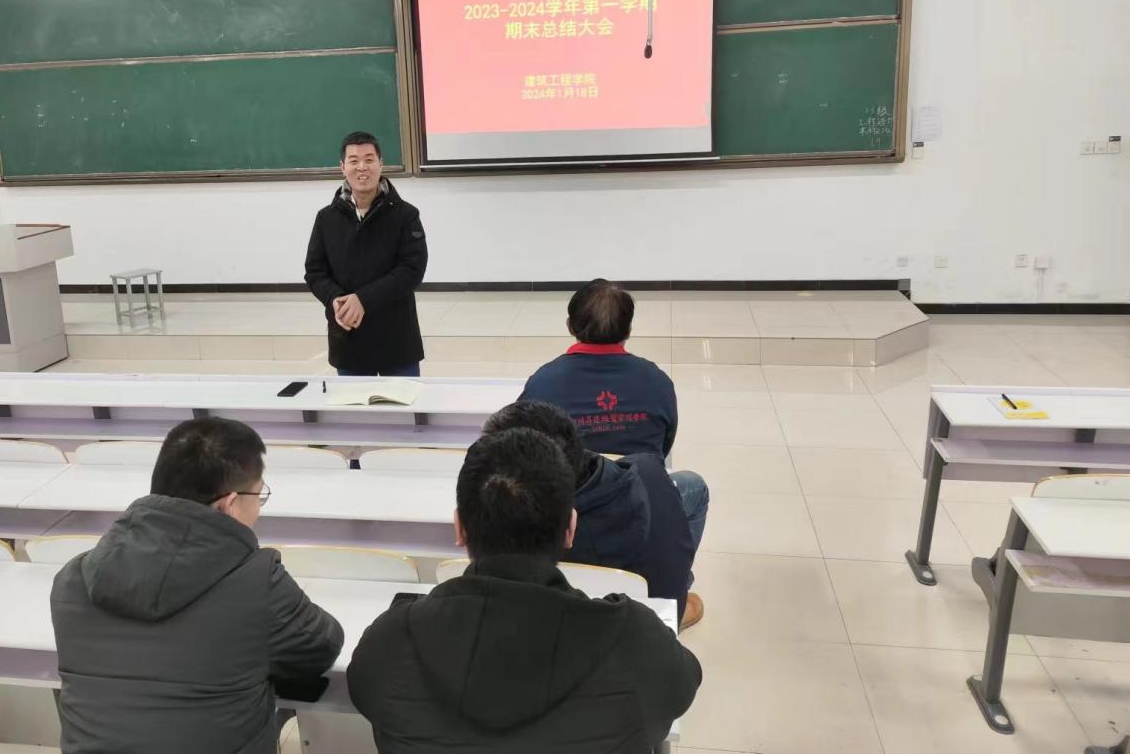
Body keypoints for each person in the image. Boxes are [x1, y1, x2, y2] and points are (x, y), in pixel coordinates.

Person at [348, 428, 701, 754]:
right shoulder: (635, 641)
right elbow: (682, 685)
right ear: (570, 529)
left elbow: (364, 692)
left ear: (460, 528)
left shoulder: (389, 643)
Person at [50, 417, 344, 754]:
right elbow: (320, 647)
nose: (259, 508)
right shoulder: (257, 582)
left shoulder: (72, 580)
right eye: (258, 495)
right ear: (229, 504)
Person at [483, 400, 703, 629]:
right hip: (658, 621)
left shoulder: (508, 541)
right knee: (694, 487)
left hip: (559, 629)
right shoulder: (647, 469)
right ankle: (684, 589)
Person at [304, 131, 428, 376]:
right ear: (342, 167)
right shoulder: (326, 218)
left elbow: (412, 270)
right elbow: (315, 271)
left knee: (403, 401)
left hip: (396, 341)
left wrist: (363, 299)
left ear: (381, 164)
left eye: (369, 159)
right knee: (353, 402)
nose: (362, 167)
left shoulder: (406, 215)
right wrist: (336, 300)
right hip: (349, 338)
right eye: (354, 161)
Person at [519, 278, 677, 458]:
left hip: (568, 477)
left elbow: (523, 445)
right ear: (629, 329)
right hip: (640, 476)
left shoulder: (541, 384)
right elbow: (665, 443)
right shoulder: (657, 382)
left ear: (570, 327)